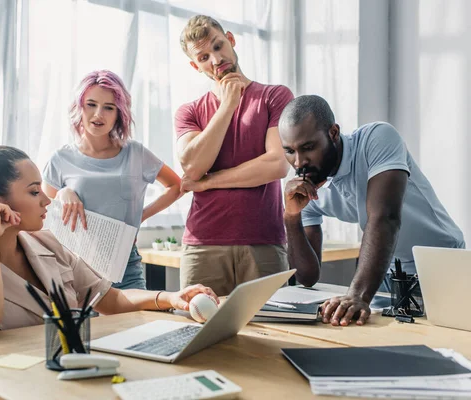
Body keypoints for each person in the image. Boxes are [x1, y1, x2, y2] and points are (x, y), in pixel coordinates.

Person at [0, 146, 217, 399]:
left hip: (62, 386)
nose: (47, 200)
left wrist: (170, 297)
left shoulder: (45, 241)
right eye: (34, 191)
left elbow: (111, 300)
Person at [278, 94, 465, 327]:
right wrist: (291, 216)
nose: (299, 162)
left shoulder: (377, 138)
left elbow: (385, 218)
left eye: (308, 147)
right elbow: (307, 277)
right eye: (289, 151)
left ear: (333, 133)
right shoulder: (304, 185)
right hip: (386, 276)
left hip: (442, 266)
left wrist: (357, 294)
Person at [175, 15, 294, 296]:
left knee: (270, 333)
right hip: (202, 243)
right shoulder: (189, 111)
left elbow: (276, 164)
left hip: (263, 241)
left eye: (218, 46)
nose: (215, 60)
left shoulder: (274, 96)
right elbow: (192, 168)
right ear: (195, 65)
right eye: (204, 57)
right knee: (197, 333)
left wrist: (209, 181)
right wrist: (227, 104)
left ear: (230, 39)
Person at [42, 70, 182, 290]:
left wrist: (140, 217)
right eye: (91, 104)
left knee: (138, 325)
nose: (99, 114)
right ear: (79, 107)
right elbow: (41, 214)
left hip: (126, 268)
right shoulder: (60, 159)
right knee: (85, 327)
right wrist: (62, 193)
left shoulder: (135, 153)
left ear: (120, 113)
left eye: (109, 107)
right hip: (77, 271)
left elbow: (176, 186)